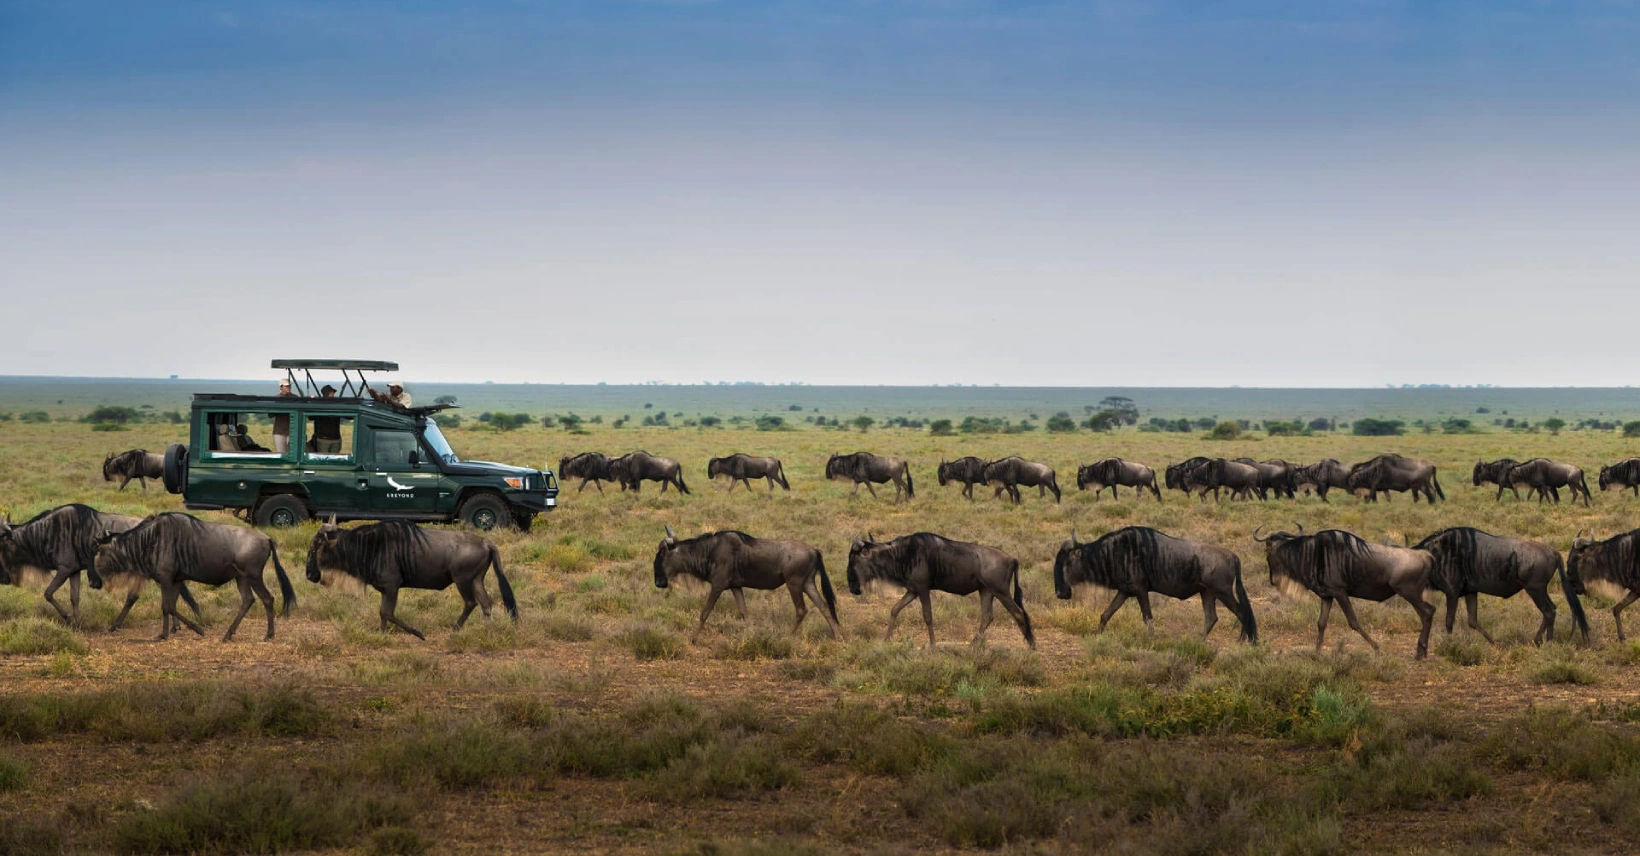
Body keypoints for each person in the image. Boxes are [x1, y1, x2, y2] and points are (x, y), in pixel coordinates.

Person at [309, 385, 343, 454]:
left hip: (335, 439)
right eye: (331, 393)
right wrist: (312, 403)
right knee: (323, 460)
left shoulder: (336, 405)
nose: (333, 395)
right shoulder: (320, 405)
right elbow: (311, 417)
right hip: (323, 440)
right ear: (327, 394)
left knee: (333, 460)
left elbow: (350, 416)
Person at [271, 380, 295, 454]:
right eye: (286, 386)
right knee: (281, 453)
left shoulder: (295, 398)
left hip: (292, 430)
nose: (288, 388)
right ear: (281, 387)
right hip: (279, 430)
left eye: (289, 386)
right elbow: (271, 414)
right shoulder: (276, 398)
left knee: (292, 453)